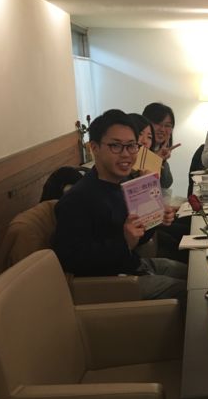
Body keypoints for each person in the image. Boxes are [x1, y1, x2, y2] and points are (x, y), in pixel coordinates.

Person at [53, 109, 188, 307]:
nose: (126, 154)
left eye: (132, 146)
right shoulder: (77, 199)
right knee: (193, 290)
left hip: (133, 264)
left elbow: (138, 238)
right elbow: (72, 260)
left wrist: (155, 220)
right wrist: (124, 241)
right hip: (114, 281)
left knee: (195, 273)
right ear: (94, 147)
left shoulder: (122, 186)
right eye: (115, 146)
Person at [142, 102, 180, 189]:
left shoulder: (159, 150)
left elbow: (166, 183)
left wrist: (161, 160)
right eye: (157, 123)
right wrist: (155, 159)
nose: (162, 129)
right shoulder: (136, 151)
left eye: (167, 125)